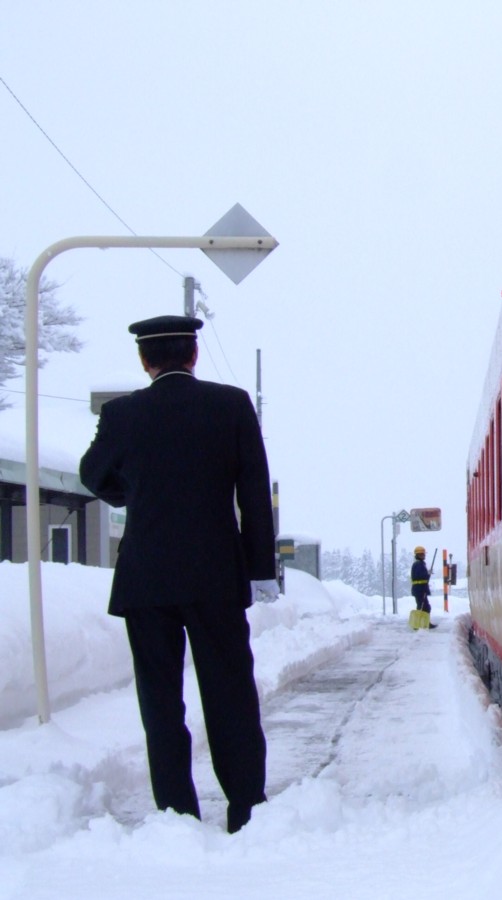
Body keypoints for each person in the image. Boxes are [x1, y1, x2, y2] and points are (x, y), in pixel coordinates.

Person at [80, 314, 278, 834]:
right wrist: (260, 569)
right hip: (216, 576)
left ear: (144, 361)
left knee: (160, 700)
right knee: (230, 692)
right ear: (193, 355)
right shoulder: (231, 405)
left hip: (145, 579)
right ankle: (246, 808)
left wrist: (133, 493)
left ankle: (176, 813)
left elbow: (91, 474)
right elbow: (254, 492)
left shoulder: (121, 414)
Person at [411, 546, 432, 614]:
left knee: (423, 606)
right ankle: (422, 620)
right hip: (420, 589)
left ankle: (423, 619)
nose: (423, 555)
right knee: (424, 607)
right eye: (421, 554)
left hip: (420, 589)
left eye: (423, 554)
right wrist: (428, 574)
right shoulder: (418, 564)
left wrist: (427, 574)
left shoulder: (420, 564)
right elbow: (419, 576)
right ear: (417, 555)